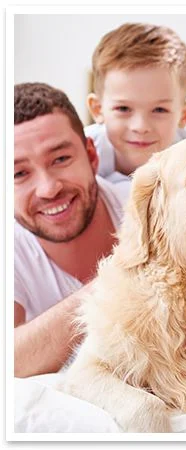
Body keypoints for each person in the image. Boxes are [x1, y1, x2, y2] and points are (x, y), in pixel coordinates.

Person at [13, 83, 130, 378]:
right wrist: (117, 279)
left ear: (91, 156)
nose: (49, 188)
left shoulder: (147, 208)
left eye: (61, 159)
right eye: (19, 173)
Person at [85, 22, 186, 186]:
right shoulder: (79, 158)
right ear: (98, 109)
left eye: (159, 110)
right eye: (123, 108)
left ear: (185, 114)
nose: (140, 126)